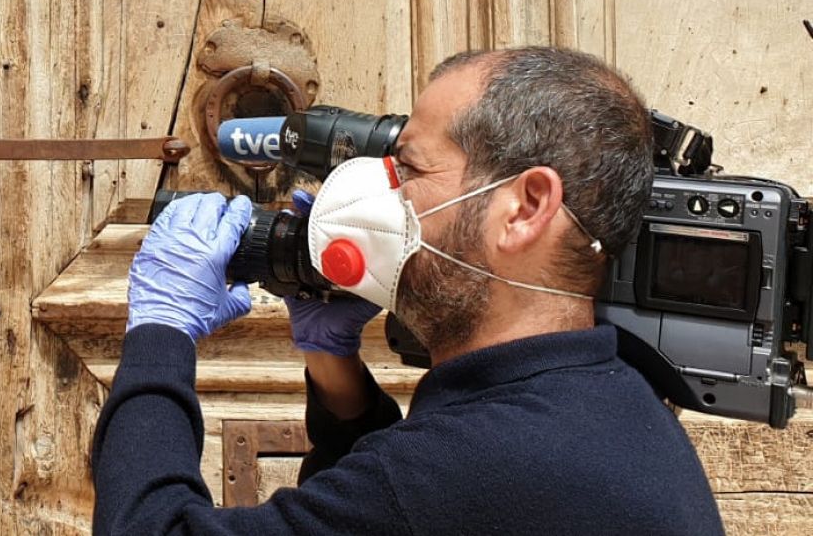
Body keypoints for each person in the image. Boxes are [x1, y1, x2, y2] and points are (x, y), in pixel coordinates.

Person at [92, 46, 726, 535]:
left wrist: (161, 329)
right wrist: (333, 367)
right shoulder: (596, 400)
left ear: (526, 206)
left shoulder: (480, 463)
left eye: (408, 167)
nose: (375, 189)